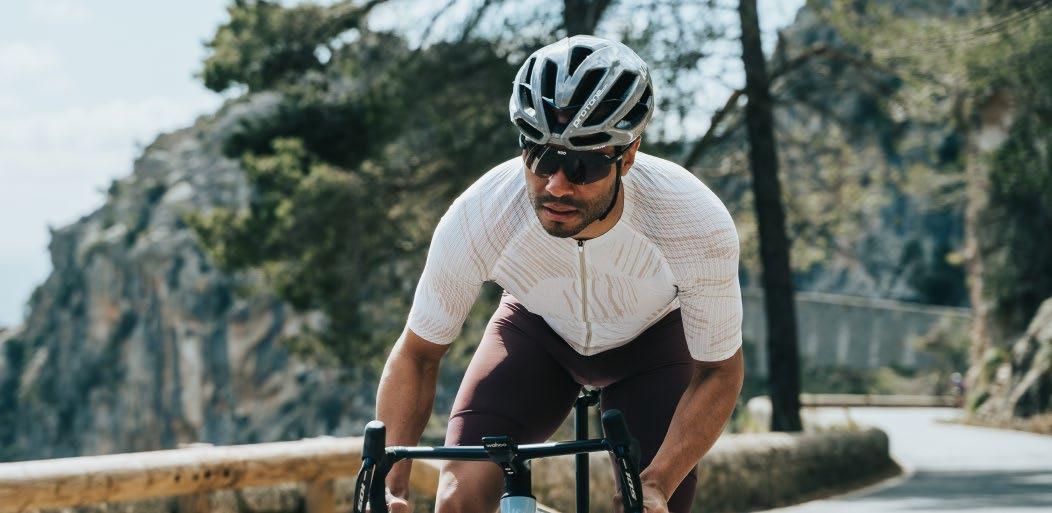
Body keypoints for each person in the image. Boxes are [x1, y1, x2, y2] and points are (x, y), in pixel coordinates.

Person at [374, 35, 744, 513]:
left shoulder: (692, 221)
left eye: (583, 165)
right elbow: (418, 355)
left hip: (652, 348)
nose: (556, 185)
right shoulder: (481, 215)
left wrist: (656, 483)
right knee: (459, 498)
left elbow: (719, 371)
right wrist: (390, 488)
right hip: (535, 334)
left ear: (628, 155)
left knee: (643, 505)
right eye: (541, 157)